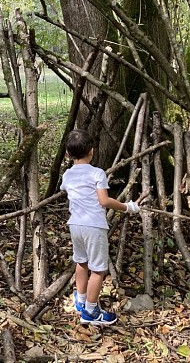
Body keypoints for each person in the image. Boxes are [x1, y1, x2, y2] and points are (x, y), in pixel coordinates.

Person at [61, 128, 140, 326]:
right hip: (93, 227)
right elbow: (104, 201)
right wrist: (127, 207)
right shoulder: (97, 173)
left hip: (75, 225)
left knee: (81, 262)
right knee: (98, 270)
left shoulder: (68, 175)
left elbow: (64, 189)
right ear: (92, 152)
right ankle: (90, 312)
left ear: (68, 154)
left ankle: (80, 300)